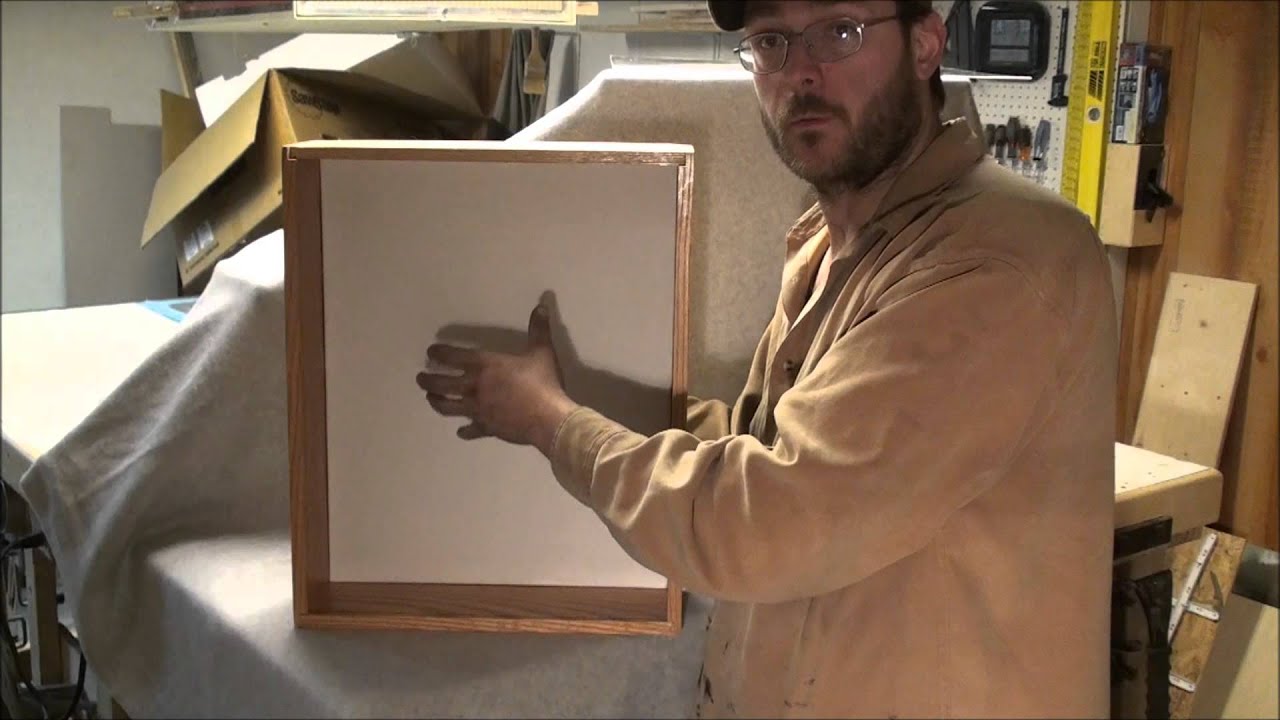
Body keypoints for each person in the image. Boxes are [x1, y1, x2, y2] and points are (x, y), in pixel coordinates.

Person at [416, 1, 1118, 717]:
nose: (800, 72)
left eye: (839, 32)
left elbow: (764, 521)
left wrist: (553, 424)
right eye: (772, 40)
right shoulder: (833, 242)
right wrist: (576, 396)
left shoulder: (999, 263)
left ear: (925, 44)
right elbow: (764, 443)